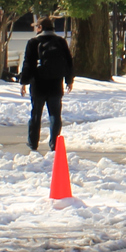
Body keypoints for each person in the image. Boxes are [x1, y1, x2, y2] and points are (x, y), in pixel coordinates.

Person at [18, 20, 75, 153]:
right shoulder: (60, 42)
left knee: (36, 114)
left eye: (36, 26)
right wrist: (69, 80)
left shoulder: (33, 42)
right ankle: (54, 144)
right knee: (55, 114)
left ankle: (33, 143)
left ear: (41, 27)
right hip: (56, 83)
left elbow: (28, 63)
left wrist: (24, 82)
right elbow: (68, 62)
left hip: (38, 84)